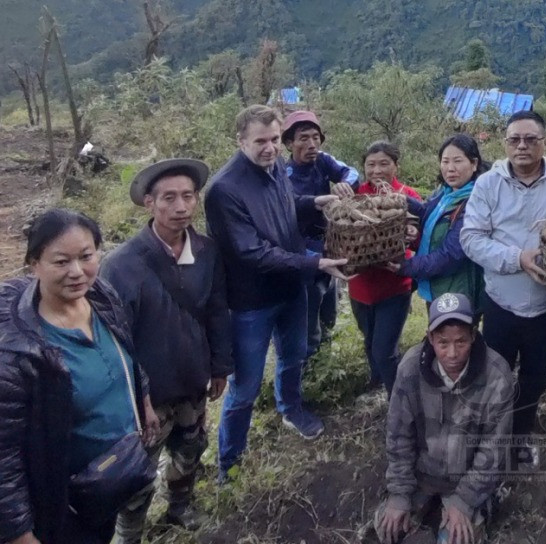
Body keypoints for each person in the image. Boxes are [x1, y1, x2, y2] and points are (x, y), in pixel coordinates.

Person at [205, 105, 350, 480]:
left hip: (290, 287)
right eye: (260, 142)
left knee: (294, 354)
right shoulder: (224, 190)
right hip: (251, 301)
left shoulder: (275, 171)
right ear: (240, 141)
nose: (270, 148)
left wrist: (312, 202)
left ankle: (291, 408)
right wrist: (313, 264)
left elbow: (284, 210)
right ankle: (229, 465)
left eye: (273, 140)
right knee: (245, 386)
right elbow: (252, 251)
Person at [0, 209, 159, 544]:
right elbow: (4, 455)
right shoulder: (18, 352)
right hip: (64, 501)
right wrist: (18, 533)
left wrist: (142, 396)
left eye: (86, 256)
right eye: (61, 262)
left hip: (114, 476)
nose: (77, 272)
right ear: (34, 264)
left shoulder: (100, 295)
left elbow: (124, 349)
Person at [100, 159, 234, 542]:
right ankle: (130, 534)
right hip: (149, 392)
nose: (181, 207)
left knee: (190, 447)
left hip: (192, 376)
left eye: (188, 197)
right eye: (169, 198)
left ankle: (180, 507)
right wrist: (138, 396)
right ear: (149, 203)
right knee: (139, 471)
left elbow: (216, 309)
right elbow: (115, 339)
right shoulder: (121, 265)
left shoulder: (207, 251)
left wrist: (220, 366)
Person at [461, 110, 546, 445]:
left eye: (531, 139)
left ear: (545, 142)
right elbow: (471, 238)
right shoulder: (488, 183)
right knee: (494, 373)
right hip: (501, 300)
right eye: (515, 139)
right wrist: (518, 259)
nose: (522, 146)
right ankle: (492, 433)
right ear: (505, 144)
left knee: (535, 375)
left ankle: (521, 432)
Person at [374, 293, 514, 544]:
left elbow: (493, 452)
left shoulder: (497, 375)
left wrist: (464, 500)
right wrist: (399, 492)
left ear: (473, 334)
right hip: (422, 476)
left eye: (461, 342)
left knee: (457, 540)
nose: (452, 353)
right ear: (430, 337)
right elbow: (398, 437)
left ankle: (478, 509)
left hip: (468, 479)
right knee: (387, 532)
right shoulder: (409, 369)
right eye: (442, 343)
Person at [281, 110, 360, 358]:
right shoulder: (283, 174)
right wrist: (315, 201)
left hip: (329, 246)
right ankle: (308, 364)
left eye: (315, 137)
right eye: (303, 138)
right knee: (309, 312)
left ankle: (325, 359)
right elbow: (286, 204)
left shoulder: (323, 161)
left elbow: (352, 172)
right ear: (289, 143)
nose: (311, 144)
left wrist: (345, 184)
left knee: (330, 312)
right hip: (303, 251)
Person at [348, 141, 422, 395]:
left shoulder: (408, 196)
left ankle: (400, 400)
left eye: (384, 163)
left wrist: (412, 234)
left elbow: (420, 238)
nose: (377, 170)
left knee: (384, 350)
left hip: (394, 285)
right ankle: (376, 378)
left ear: (395, 166)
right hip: (359, 285)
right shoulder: (356, 195)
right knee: (370, 341)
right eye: (371, 164)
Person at [395, 134, 489, 316]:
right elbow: (428, 213)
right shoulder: (446, 194)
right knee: (438, 337)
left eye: (457, 161)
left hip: (457, 291)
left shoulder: (473, 202)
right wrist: (402, 200)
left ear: (474, 163)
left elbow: (450, 257)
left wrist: (405, 266)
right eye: (445, 161)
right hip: (438, 286)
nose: (450, 168)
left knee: (454, 341)